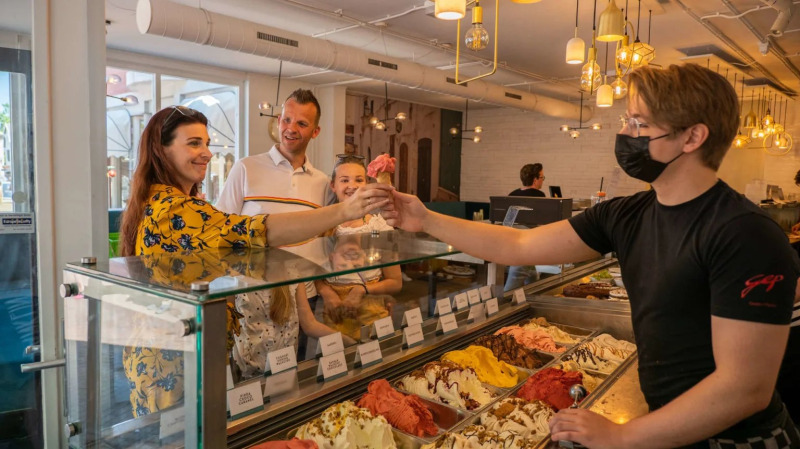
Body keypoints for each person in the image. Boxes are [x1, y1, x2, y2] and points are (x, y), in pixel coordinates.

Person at [382, 63, 800, 448]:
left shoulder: (745, 234)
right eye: (627, 120)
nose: (625, 133)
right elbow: (519, 246)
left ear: (692, 136)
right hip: (668, 424)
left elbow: (744, 388)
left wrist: (622, 436)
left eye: (640, 123)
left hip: (737, 440)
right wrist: (425, 218)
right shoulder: (627, 214)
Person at [118, 105, 391, 417]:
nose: (206, 153)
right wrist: (345, 211)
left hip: (188, 353)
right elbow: (251, 230)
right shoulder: (172, 210)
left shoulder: (179, 204)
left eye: (207, 143)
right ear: (161, 149)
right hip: (173, 365)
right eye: (193, 143)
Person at [216, 88, 331, 357]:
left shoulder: (323, 182)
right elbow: (222, 231)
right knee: (248, 379)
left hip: (304, 295)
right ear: (278, 121)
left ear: (315, 131)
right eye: (286, 120)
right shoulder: (246, 167)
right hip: (252, 295)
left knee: (293, 374)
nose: (291, 129)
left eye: (302, 123)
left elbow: (326, 237)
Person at [314, 155, 402, 340]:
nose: (352, 185)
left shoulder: (380, 226)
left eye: (359, 179)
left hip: (372, 309)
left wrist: (362, 289)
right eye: (344, 180)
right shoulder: (323, 224)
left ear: (367, 184)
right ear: (333, 186)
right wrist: (327, 292)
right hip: (334, 310)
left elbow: (395, 282)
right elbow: (313, 270)